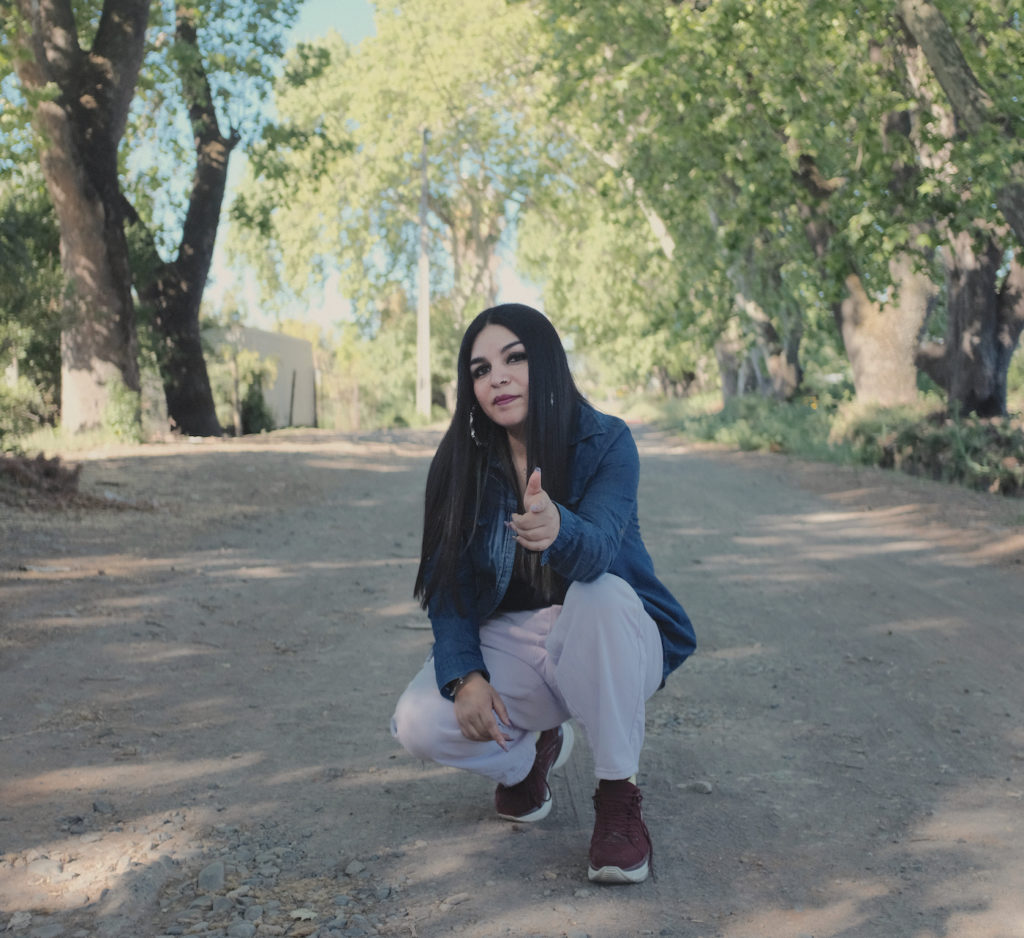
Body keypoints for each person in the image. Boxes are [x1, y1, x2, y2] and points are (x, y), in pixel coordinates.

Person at [391, 303, 695, 884]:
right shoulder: (460, 463)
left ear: (547, 362)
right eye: (481, 370)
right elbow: (450, 586)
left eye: (515, 359)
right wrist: (465, 677)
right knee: (418, 722)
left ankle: (618, 798)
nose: (497, 378)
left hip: (611, 638)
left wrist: (560, 529)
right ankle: (527, 757)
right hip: (518, 644)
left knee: (599, 595)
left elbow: (600, 552)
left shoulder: (606, 441)